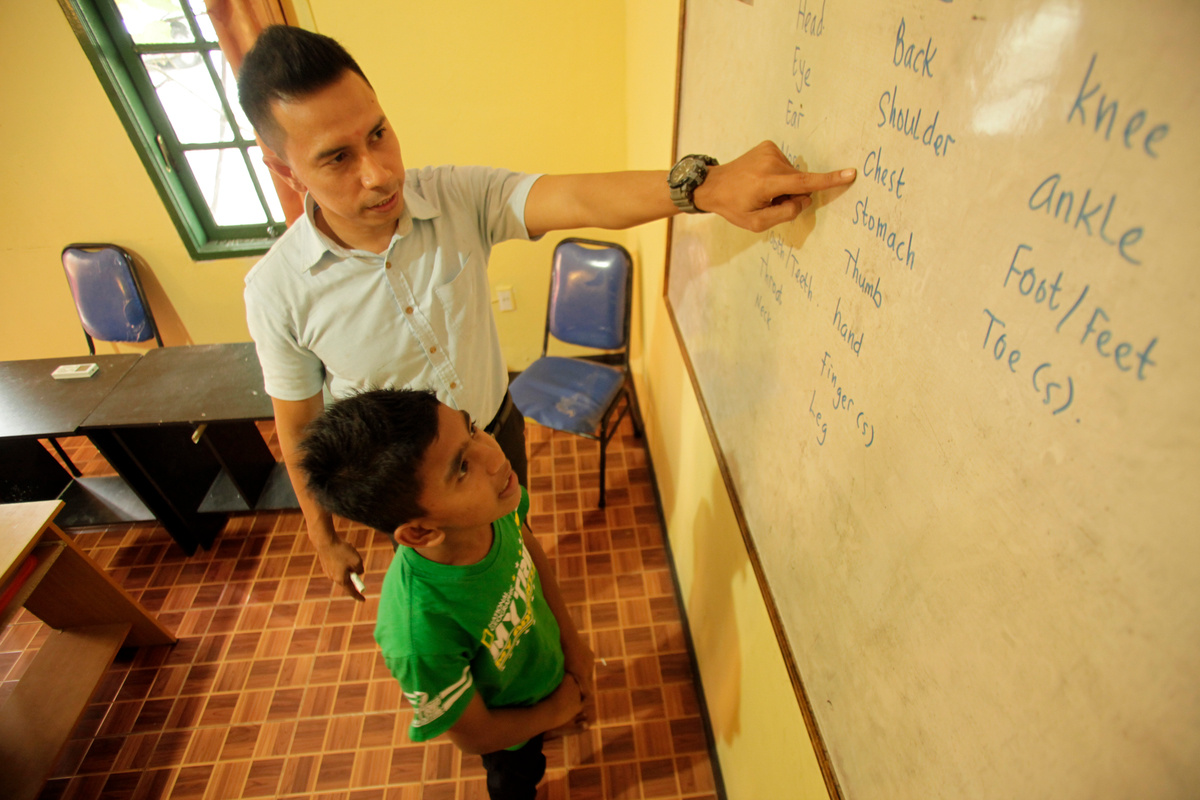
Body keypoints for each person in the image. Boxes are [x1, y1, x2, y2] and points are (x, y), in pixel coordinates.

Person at [237, 25, 856, 600]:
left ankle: (542, 629)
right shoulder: (276, 291)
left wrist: (702, 187)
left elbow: (572, 194)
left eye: (378, 132)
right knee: (454, 596)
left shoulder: (451, 196)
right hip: (410, 482)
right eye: (336, 158)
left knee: (516, 541)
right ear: (282, 167)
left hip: (494, 424)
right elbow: (297, 429)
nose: (378, 174)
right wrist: (323, 536)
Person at [298, 388, 592, 800]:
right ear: (419, 532)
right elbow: (477, 735)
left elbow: (528, 547)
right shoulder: (419, 634)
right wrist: (555, 710)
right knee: (518, 776)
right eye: (462, 468)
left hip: (544, 680)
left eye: (471, 428)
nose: (492, 455)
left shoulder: (495, 506)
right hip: (509, 734)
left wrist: (573, 648)